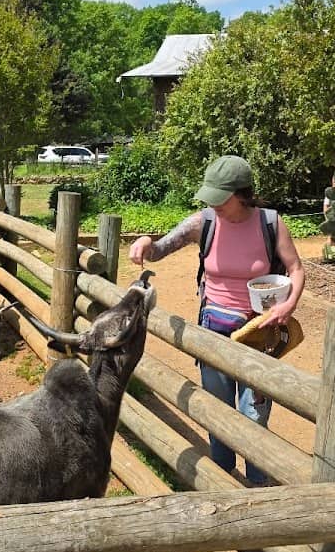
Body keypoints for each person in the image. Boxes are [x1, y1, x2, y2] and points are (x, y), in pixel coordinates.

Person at [129, 155, 305, 485]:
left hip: (259, 333)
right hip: (213, 329)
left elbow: (295, 269)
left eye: (220, 197)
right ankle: (220, 480)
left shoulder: (270, 222)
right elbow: (161, 248)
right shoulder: (204, 222)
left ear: (242, 193)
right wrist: (144, 243)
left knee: (253, 416)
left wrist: (288, 305)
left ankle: (257, 486)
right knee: (217, 411)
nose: (214, 205)